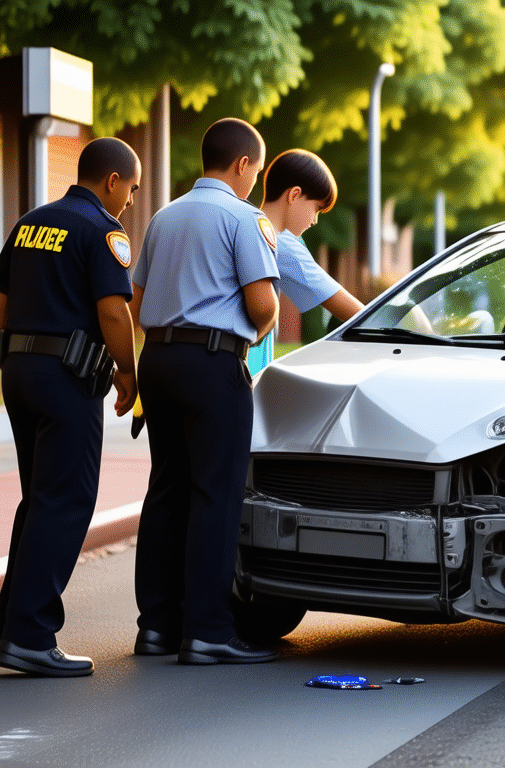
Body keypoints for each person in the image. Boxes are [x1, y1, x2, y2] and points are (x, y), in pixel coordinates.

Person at [0, 138, 141, 677]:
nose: (132, 203)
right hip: (67, 377)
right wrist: (127, 372)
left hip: (20, 373)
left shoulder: (32, 221)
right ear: (113, 181)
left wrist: (28, 359)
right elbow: (114, 314)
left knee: (39, 500)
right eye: (132, 190)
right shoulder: (102, 230)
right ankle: (29, 635)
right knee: (67, 498)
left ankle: (11, 631)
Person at [130, 118, 280, 664]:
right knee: (216, 493)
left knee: (166, 488)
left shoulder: (163, 217)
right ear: (242, 164)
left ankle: (157, 627)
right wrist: (255, 333)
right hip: (213, 362)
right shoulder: (245, 218)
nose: (253, 182)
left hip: (159, 361)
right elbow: (263, 307)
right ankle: (209, 630)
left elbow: (136, 296)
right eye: (255, 172)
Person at [245, 149, 363, 376]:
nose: (315, 220)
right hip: (247, 371)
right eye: (316, 208)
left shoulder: (247, 225)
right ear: (294, 195)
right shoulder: (280, 242)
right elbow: (349, 309)